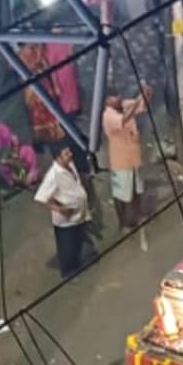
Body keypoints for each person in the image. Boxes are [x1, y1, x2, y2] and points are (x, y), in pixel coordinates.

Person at [35, 143, 93, 278]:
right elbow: (41, 197)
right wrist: (60, 209)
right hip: (65, 221)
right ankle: (68, 274)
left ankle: (76, 267)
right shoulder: (53, 175)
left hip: (79, 214)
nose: (70, 155)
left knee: (77, 243)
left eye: (69, 152)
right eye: (66, 154)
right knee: (67, 249)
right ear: (58, 158)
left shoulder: (70, 164)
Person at [102, 86, 153, 230]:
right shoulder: (108, 115)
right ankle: (123, 222)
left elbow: (142, 106)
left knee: (137, 190)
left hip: (134, 157)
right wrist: (137, 101)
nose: (118, 98)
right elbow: (124, 119)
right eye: (114, 97)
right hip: (120, 160)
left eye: (117, 95)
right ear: (107, 101)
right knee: (121, 194)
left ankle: (137, 216)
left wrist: (146, 95)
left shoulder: (124, 105)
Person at [0, 116, 39, 188]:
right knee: (3, 168)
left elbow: (12, 139)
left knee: (28, 150)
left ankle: (32, 174)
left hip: (10, 153)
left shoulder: (1, 128)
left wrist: (15, 152)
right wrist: (5, 161)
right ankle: (19, 182)